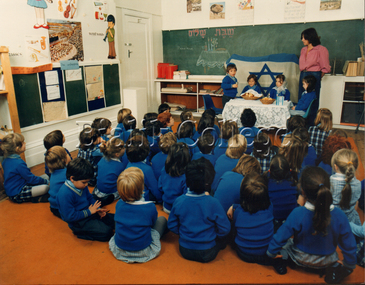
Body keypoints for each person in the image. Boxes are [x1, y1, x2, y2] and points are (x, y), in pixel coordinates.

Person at [266, 166, 356, 284]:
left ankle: (281, 264)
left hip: (299, 259)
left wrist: (271, 253)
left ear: (303, 191)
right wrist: (349, 264)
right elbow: (348, 243)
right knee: (336, 261)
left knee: (287, 245)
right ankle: (335, 272)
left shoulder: (298, 213)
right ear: (329, 188)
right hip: (328, 261)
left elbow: (281, 236)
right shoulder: (339, 215)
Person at [168, 158, 231, 263]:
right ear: (208, 182)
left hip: (185, 250)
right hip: (208, 252)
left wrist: (183, 233)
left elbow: (172, 225)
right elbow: (225, 228)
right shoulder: (214, 203)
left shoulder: (178, 201)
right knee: (224, 241)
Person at [227, 173, 286, 275]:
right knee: (276, 225)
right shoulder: (269, 207)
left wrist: (234, 206)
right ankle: (276, 262)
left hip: (243, 253)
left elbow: (241, 210)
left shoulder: (238, 212)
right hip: (265, 253)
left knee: (233, 225)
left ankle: (232, 244)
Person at [109, 167, 167, 263]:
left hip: (121, 249)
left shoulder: (119, 204)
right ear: (142, 187)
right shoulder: (150, 207)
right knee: (162, 220)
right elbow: (152, 223)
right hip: (143, 249)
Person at [56, 158, 115, 241]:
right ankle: (80, 233)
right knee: (107, 233)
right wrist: (89, 212)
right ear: (72, 178)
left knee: (116, 220)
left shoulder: (81, 185)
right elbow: (70, 217)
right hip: (79, 222)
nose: (86, 185)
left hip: (89, 211)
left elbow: (90, 198)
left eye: (87, 182)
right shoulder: (64, 194)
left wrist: (98, 209)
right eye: (84, 182)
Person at [1, 133, 49, 203]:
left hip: (13, 189)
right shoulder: (19, 163)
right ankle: (35, 199)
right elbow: (31, 179)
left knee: (45, 176)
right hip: (17, 193)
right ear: (17, 149)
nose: (25, 143)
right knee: (46, 187)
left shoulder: (6, 160)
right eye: (23, 142)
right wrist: (47, 182)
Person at [263, 155, 298, 232]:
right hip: (290, 220)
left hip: (272, 220)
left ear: (270, 171)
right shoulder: (294, 183)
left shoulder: (266, 182)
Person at [298, 28, 331, 102]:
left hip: (314, 74)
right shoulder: (303, 50)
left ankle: (312, 113)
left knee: (313, 98)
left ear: (310, 37)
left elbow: (325, 67)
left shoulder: (321, 49)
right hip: (303, 74)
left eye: (304, 37)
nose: (302, 40)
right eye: (302, 37)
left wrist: (317, 77)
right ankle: (300, 113)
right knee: (302, 96)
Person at [330, 149, 361, 225]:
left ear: (335, 167)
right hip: (351, 221)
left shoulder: (329, 183)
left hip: (333, 220)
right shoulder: (358, 184)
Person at [126, 135, 160, 202]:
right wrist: (160, 200)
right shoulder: (147, 169)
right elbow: (155, 189)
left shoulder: (128, 165)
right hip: (143, 198)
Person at [158, 142, 190, 213]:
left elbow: (160, 187)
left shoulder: (164, 170)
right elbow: (186, 196)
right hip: (179, 209)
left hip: (166, 206)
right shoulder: (185, 176)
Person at [93, 138, 126, 206]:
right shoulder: (119, 166)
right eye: (123, 147)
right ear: (117, 154)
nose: (124, 148)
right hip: (110, 192)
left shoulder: (103, 158)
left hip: (99, 190)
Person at [45, 146, 71, 218]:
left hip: (53, 207)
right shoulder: (67, 173)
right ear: (63, 160)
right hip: (62, 208)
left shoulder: (53, 172)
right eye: (66, 153)